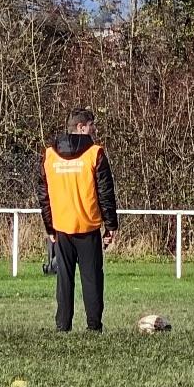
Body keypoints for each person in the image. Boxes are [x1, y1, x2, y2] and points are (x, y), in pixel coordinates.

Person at [39, 107, 119, 332]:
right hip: (88, 227)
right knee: (92, 280)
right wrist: (111, 225)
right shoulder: (95, 153)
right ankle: (94, 326)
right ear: (81, 127)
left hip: (61, 228)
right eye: (92, 125)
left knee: (64, 280)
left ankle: (63, 325)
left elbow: (44, 195)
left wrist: (49, 227)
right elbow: (105, 192)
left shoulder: (50, 155)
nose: (95, 129)